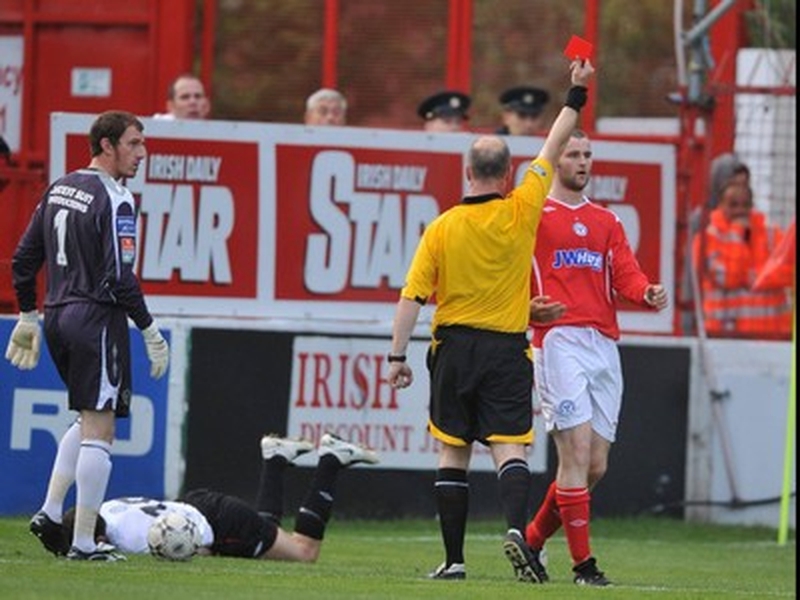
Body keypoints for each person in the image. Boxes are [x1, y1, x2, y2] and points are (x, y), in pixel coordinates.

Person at [387, 58, 595, 583]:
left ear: (466, 173)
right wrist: (575, 93)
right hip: (505, 348)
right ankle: (514, 530)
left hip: (453, 349)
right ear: (507, 174)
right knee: (511, 448)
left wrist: (396, 356)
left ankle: (454, 561)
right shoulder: (523, 207)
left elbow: (411, 296)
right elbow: (553, 144)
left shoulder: (442, 227)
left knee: (452, 452)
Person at [4, 110, 170, 562]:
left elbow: (23, 259)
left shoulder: (60, 186)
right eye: (133, 144)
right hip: (97, 317)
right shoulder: (115, 199)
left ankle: (50, 511)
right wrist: (149, 328)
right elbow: (120, 278)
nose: (142, 153)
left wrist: (27, 315)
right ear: (106, 146)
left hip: (58, 316)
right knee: (102, 427)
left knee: (86, 417)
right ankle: (81, 543)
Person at [523, 129, 668, 587]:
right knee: (576, 454)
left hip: (603, 345)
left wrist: (646, 291)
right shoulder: (534, 215)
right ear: (556, 160)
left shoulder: (606, 220)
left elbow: (624, 272)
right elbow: (509, 275)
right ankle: (584, 568)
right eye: (573, 154)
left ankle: (531, 540)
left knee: (595, 467)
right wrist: (527, 308)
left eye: (588, 154)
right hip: (558, 340)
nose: (583, 161)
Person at [61, 433, 379, 561]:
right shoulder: (106, 507)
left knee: (304, 552)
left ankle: (331, 460)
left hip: (222, 523)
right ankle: (276, 458)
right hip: (199, 504)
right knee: (264, 534)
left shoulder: (130, 538)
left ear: (98, 535)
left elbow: (193, 551)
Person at [692, 180, 792, 337]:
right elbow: (726, 278)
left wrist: (754, 277)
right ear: (720, 205)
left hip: (773, 335)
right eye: (733, 205)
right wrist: (737, 232)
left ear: (752, 206)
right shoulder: (707, 239)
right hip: (724, 335)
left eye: (745, 205)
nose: (740, 210)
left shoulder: (772, 234)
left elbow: (789, 271)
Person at [680, 154, 751, 334]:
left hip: (744, 322)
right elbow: (692, 272)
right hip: (711, 320)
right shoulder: (703, 220)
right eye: (734, 184)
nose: (739, 190)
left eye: (744, 185)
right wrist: (689, 313)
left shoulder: (752, 223)